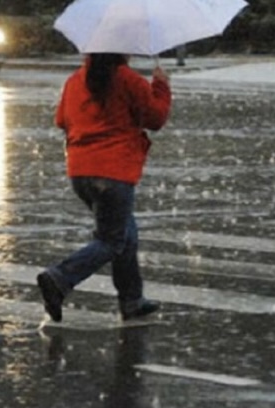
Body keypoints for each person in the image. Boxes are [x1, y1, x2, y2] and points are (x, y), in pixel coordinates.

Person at [36, 53, 172, 322]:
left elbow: (61, 120)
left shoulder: (75, 80)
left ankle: (132, 300)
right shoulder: (128, 80)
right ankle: (61, 277)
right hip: (114, 171)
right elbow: (155, 119)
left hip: (80, 171)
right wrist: (161, 86)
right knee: (111, 240)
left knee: (126, 234)